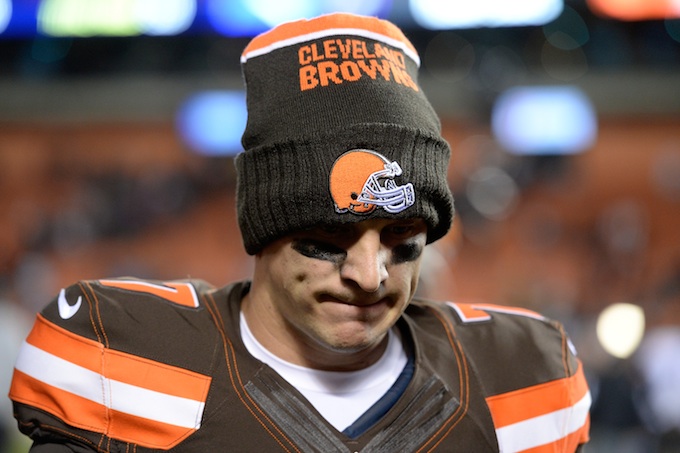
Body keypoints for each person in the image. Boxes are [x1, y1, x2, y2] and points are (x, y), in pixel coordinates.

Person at [8, 13, 591, 452]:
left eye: (402, 239)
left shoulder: (525, 381)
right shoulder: (117, 359)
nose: (369, 276)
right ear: (264, 227)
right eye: (328, 241)